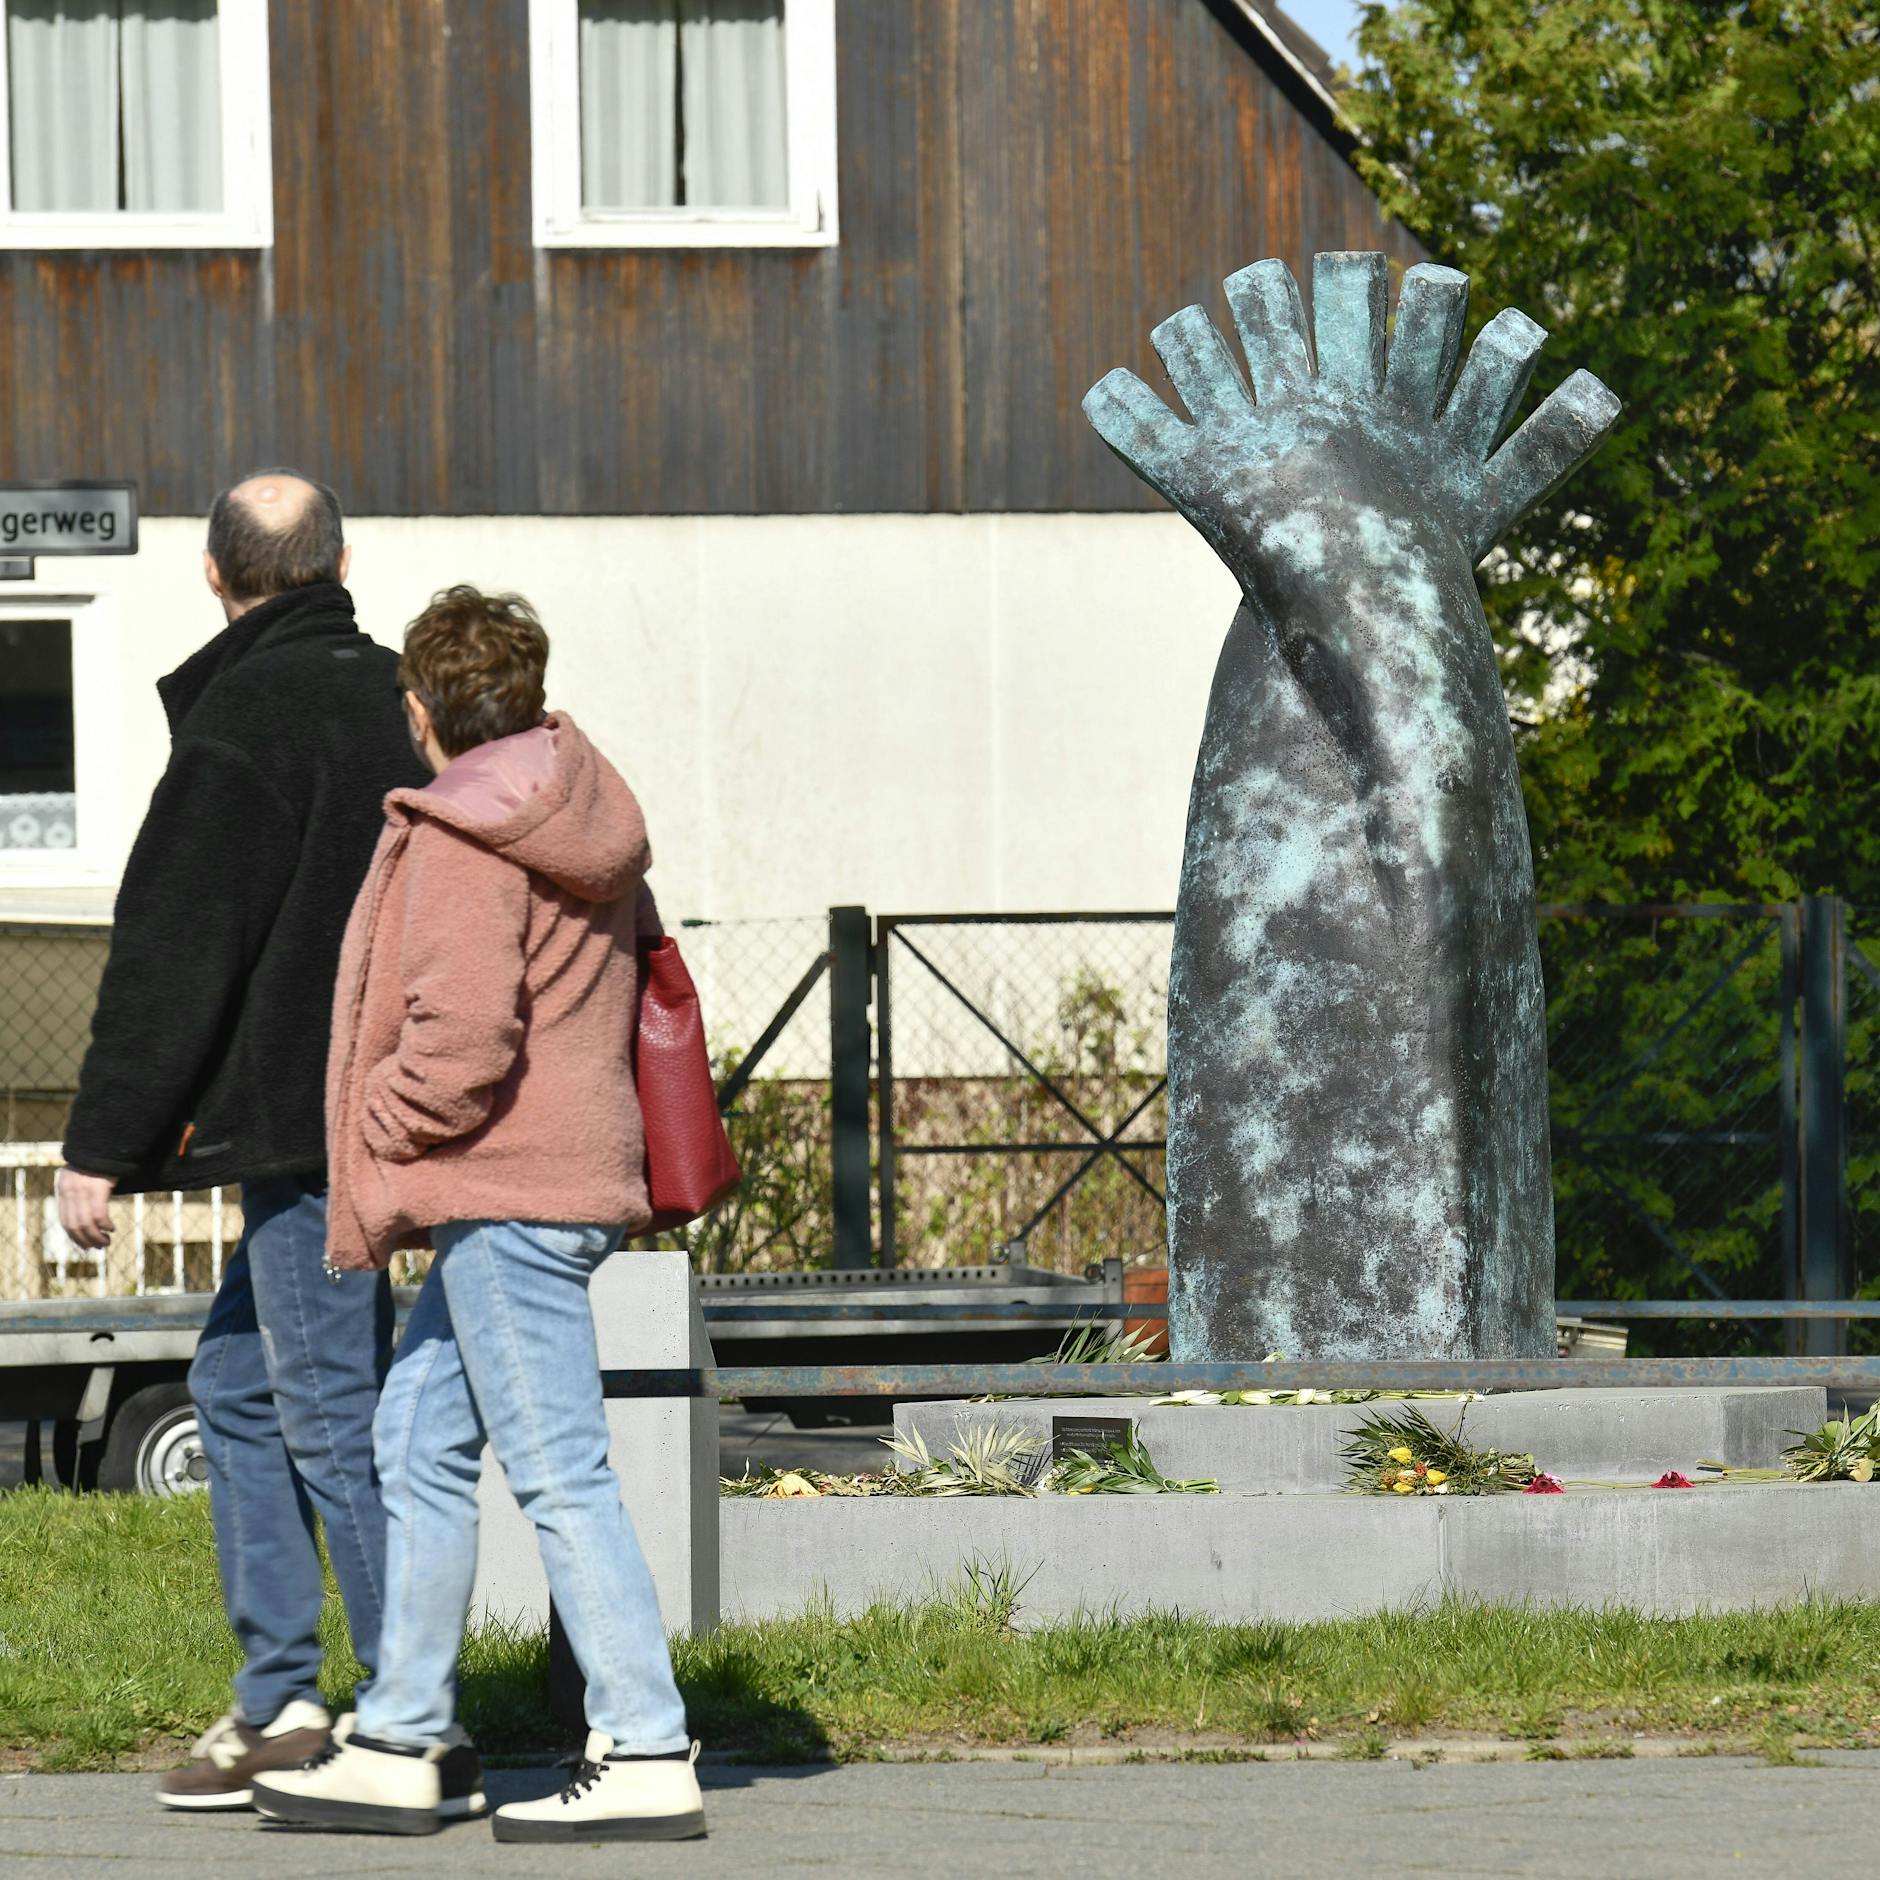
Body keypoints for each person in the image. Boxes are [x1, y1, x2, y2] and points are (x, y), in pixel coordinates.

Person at [52, 474, 486, 1816]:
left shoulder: (240, 723)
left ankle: (414, 1725)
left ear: (211, 573)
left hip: (308, 1134)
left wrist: (99, 1146)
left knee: (330, 1407)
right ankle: (283, 1700)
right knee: (238, 1383)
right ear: (344, 561)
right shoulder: (403, 702)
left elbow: (177, 948)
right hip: (394, 1105)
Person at [250, 585, 704, 1844]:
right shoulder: (577, 805)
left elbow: (458, 1042)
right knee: (415, 1440)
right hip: (556, 1179)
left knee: (559, 1473)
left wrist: (378, 1124)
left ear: (420, 709)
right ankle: (402, 1732)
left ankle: (646, 1738)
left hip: (504, 1191)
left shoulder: (460, 833)